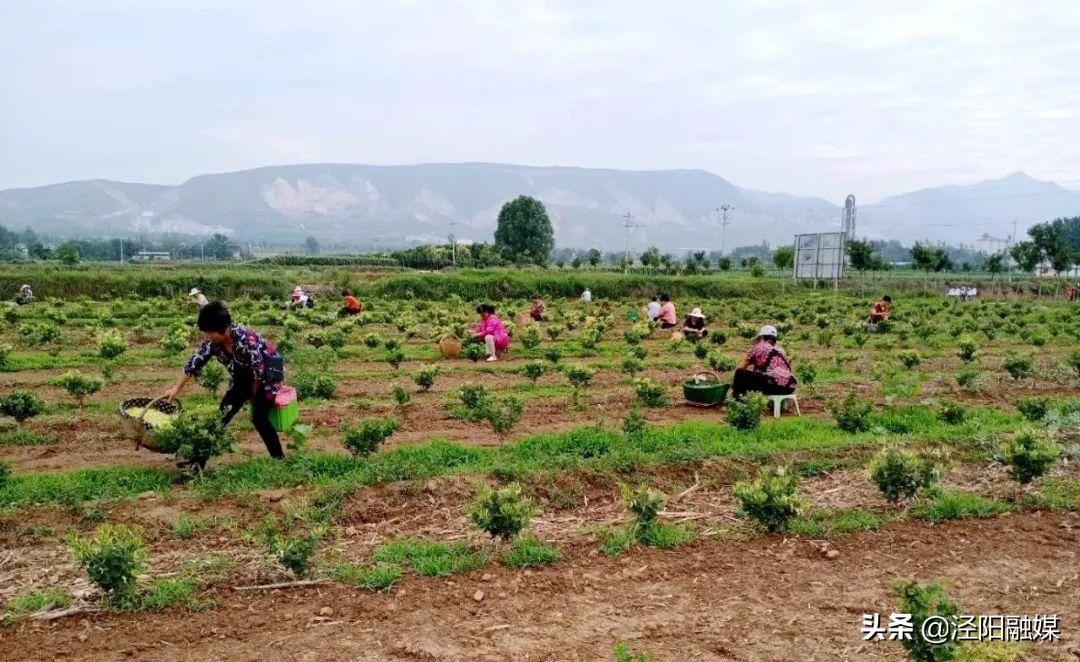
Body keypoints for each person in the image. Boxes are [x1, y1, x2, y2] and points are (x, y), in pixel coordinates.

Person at [164, 301, 285, 470]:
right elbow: (194, 363)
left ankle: (279, 459)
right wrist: (176, 388)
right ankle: (197, 464)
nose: (208, 336)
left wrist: (254, 398)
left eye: (210, 332)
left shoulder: (245, 339)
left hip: (266, 377)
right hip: (242, 376)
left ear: (224, 328)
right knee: (221, 417)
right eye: (205, 333)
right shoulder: (212, 343)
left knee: (259, 418)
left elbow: (258, 372)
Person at [731, 325, 796, 399]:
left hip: (775, 385)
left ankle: (737, 401)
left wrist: (734, 383)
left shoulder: (758, 347)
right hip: (790, 386)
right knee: (758, 376)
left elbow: (742, 366)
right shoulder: (781, 350)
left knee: (740, 373)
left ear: (762, 337)